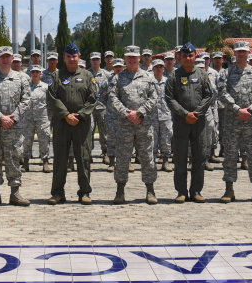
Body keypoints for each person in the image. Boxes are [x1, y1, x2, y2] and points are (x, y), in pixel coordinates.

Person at [108, 45, 160, 204]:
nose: (131, 59)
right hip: (124, 126)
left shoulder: (148, 77)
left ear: (139, 58)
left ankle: (150, 190)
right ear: (124, 58)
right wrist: (126, 113)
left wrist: (139, 113)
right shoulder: (117, 78)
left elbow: (154, 98)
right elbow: (112, 98)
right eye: (128, 56)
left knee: (147, 157)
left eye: (134, 56)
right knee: (122, 158)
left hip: (144, 124)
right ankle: (120, 191)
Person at [0, 46, 33, 206]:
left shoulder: (22, 78)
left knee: (14, 158)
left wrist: (13, 118)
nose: (5, 59)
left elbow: (26, 100)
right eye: (2, 56)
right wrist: (0, 118)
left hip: (14, 128)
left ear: (12, 59)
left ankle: (15, 193)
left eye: (7, 56)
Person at [47, 43, 98, 204]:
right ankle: (57, 193)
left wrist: (81, 115)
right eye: (68, 56)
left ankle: (84, 192)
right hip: (62, 123)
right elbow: (52, 97)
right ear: (64, 58)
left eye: (74, 56)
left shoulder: (88, 76)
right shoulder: (56, 76)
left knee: (83, 157)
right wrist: (66, 115)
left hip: (82, 123)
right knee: (60, 158)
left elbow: (94, 97)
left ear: (79, 57)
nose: (71, 59)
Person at [218, 40, 252, 203]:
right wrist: (237, 109)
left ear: (248, 54)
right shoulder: (226, 73)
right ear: (234, 53)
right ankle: (229, 190)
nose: (241, 54)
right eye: (239, 51)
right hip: (232, 121)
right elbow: (222, 93)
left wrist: (251, 109)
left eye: (244, 51)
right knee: (230, 156)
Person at [165, 42, 215, 202]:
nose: (187, 58)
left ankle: (196, 191)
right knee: (180, 157)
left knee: (199, 156)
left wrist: (197, 113)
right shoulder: (174, 76)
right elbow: (169, 98)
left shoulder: (202, 75)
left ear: (195, 57)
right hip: (181, 122)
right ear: (180, 57)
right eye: (185, 55)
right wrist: (185, 114)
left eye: (190, 55)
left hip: (199, 122)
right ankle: (181, 191)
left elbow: (209, 95)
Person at [20, 65, 52, 172]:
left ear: (40, 74)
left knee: (44, 140)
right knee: (26, 141)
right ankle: (25, 163)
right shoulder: (26, 87)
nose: (35, 74)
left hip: (42, 118)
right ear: (30, 74)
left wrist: (49, 117)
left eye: (37, 72)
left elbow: (50, 103)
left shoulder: (46, 87)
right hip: (27, 118)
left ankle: (45, 162)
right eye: (33, 72)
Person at [150, 59, 173, 171]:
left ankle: (165, 161)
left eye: (160, 66)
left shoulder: (169, 82)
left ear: (163, 69)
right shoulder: (149, 82)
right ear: (153, 68)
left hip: (165, 115)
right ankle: (152, 162)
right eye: (156, 67)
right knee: (152, 140)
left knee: (166, 139)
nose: (158, 69)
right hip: (152, 116)